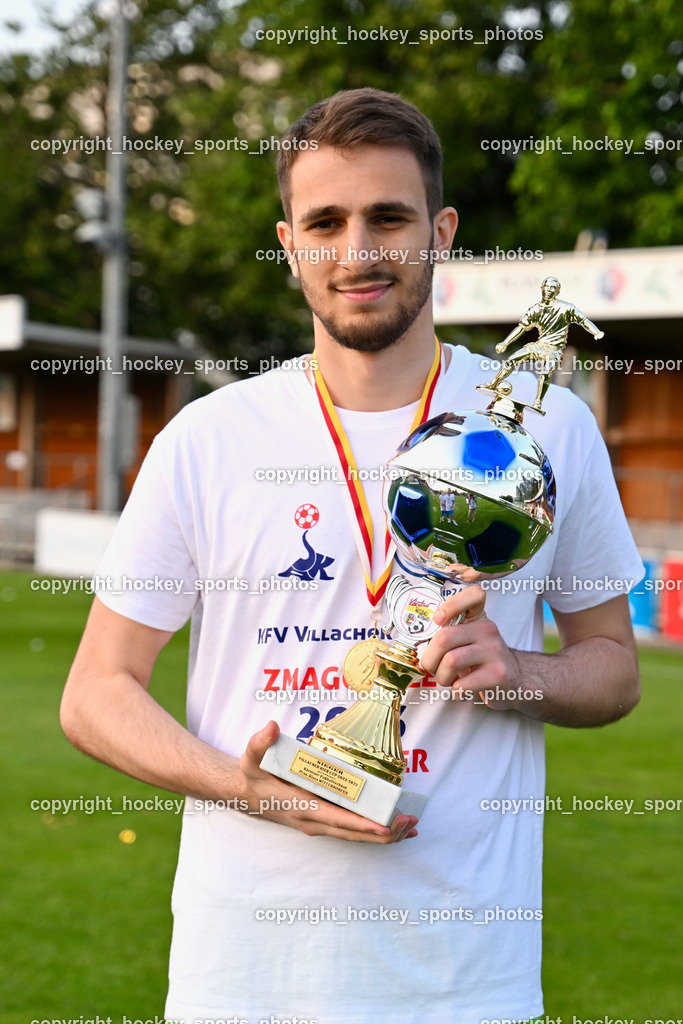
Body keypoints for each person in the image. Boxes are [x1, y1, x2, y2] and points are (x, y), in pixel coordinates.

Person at [61, 88, 643, 1023]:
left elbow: (614, 671)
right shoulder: (207, 438)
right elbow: (95, 692)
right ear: (289, 244)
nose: (358, 251)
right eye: (325, 222)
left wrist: (518, 673)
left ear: (439, 231)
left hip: (465, 985)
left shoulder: (546, 430)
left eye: (388, 217)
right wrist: (243, 788)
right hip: (243, 982)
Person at [479, 275, 604, 410]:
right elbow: (521, 328)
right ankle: (493, 383)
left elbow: (584, 320)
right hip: (539, 346)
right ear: (542, 289)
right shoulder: (535, 309)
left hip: (554, 349)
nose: (549, 290)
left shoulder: (566, 308)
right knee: (511, 360)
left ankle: (538, 402)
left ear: (557, 292)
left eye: (553, 288)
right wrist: (505, 343)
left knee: (546, 373)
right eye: (547, 287)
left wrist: (596, 332)